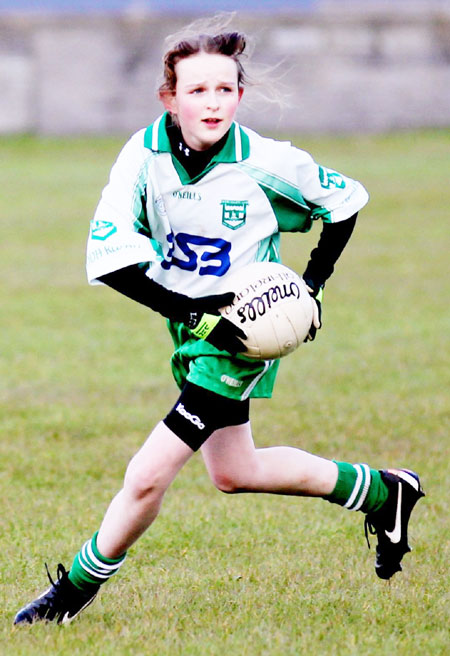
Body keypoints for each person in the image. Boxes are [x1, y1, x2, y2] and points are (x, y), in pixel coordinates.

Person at [14, 19, 424, 626]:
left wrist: (309, 287)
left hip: (240, 337)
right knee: (235, 472)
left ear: (239, 93)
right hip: (193, 325)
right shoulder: (143, 155)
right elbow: (108, 259)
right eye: (197, 90)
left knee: (147, 474)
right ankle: (385, 491)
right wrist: (192, 316)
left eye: (225, 90)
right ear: (169, 97)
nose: (212, 102)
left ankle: (69, 594)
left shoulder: (264, 161)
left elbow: (346, 201)